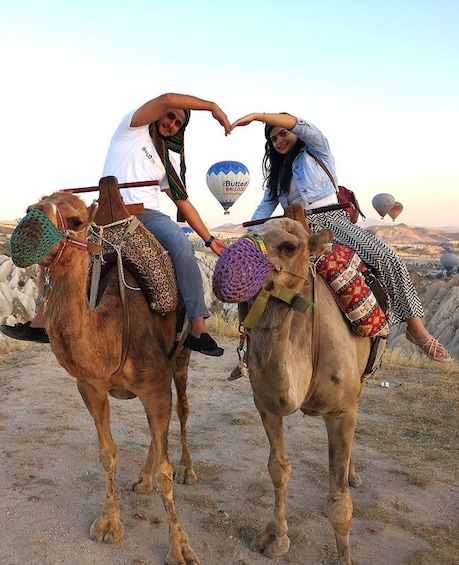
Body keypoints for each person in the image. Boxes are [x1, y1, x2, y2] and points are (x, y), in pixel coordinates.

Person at [2, 93, 229, 356]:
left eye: (179, 123)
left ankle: (197, 327)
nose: (172, 124)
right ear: (158, 115)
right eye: (170, 116)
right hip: (106, 214)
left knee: (181, 247)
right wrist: (211, 107)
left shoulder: (165, 162)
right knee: (63, 249)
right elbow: (167, 98)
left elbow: (184, 203)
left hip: (147, 216)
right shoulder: (132, 130)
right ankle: (40, 321)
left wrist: (210, 240)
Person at [230, 111, 451, 362]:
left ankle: (415, 329)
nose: (279, 140)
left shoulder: (316, 150)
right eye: (273, 139)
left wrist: (260, 117)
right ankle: (254, 341)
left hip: (332, 221)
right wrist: (246, 240)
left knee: (388, 258)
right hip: (297, 227)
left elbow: (305, 127)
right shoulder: (276, 177)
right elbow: (263, 211)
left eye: (283, 133)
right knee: (263, 275)